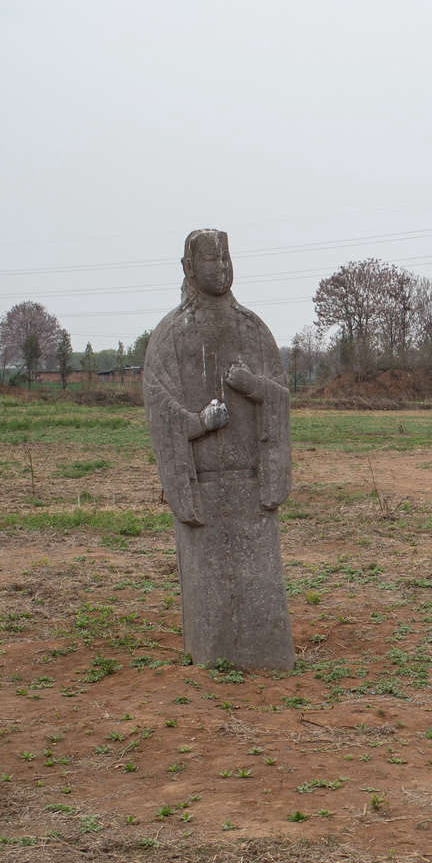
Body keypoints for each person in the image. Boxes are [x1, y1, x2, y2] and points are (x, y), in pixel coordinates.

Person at [143, 229, 294, 669]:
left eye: (227, 258)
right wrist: (199, 424)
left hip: (250, 482)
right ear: (189, 267)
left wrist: (254, 387)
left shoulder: (253, 329)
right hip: (204, 484)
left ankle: (268, 657)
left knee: (259, 587)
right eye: (212, 259)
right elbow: (160, 406)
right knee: (211, 596)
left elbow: (280, 397)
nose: (222, 267)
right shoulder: (172, 334)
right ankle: (213, 662)